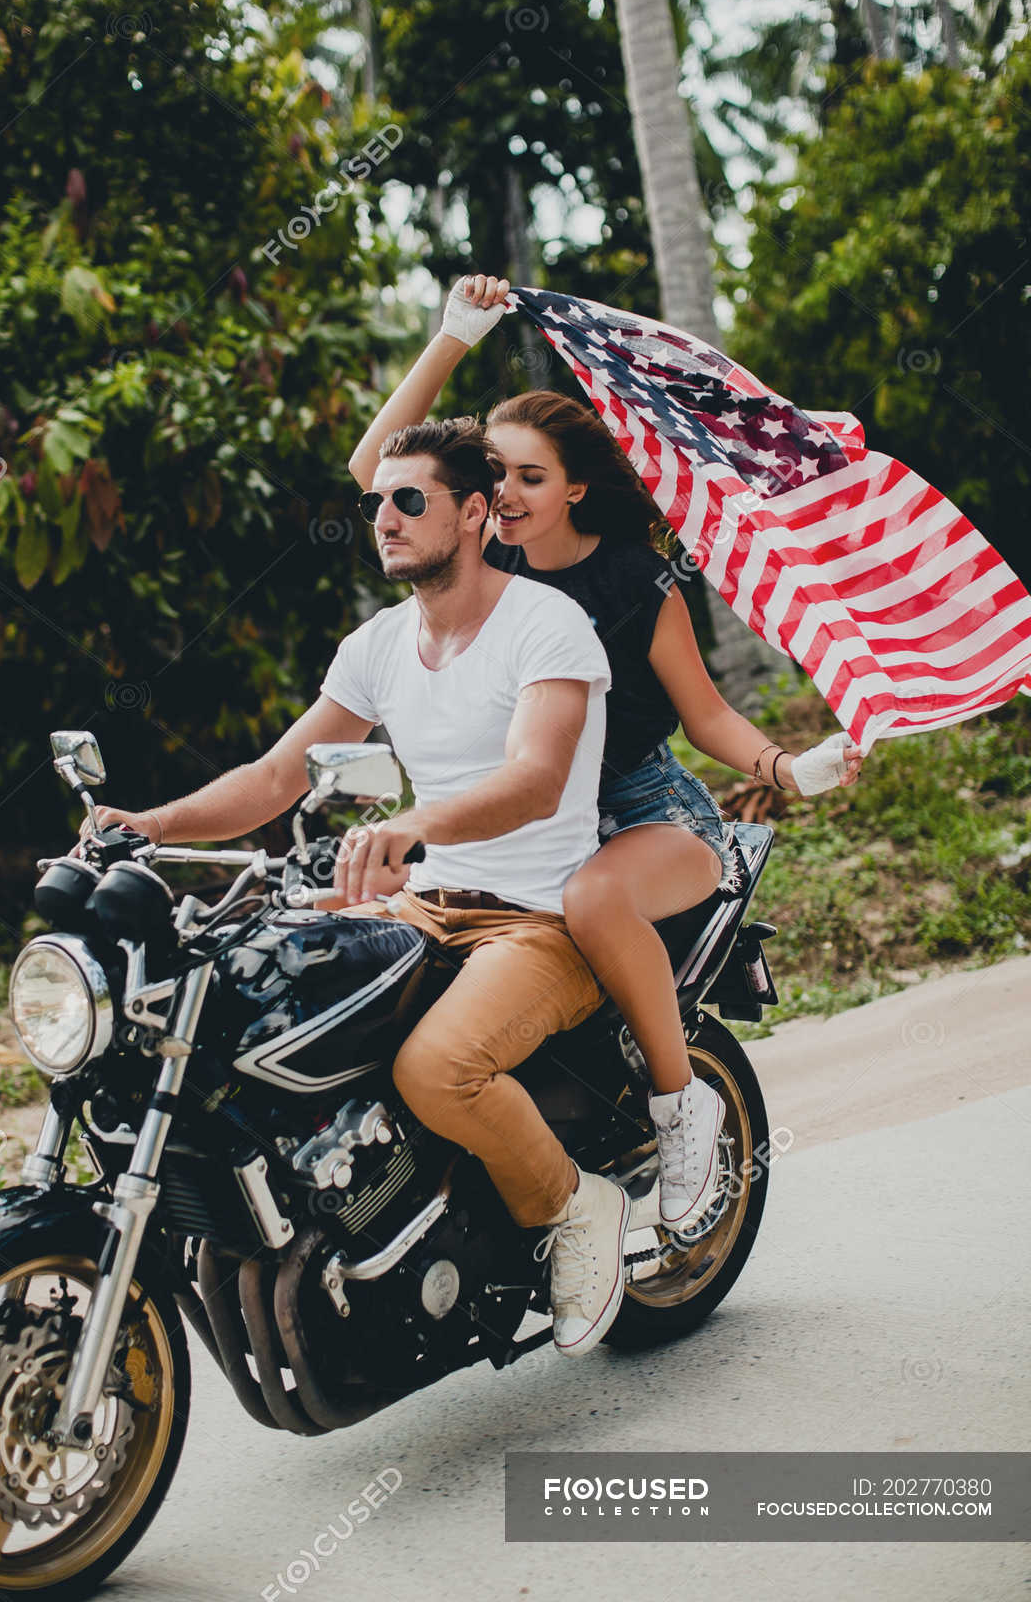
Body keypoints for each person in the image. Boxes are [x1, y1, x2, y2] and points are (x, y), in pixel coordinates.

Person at [90, 417, 650, 1358]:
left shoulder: (545, 623)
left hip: (542, 919)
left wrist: (410, 826)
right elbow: (276, 777)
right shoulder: (382, 643)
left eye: (409, 499)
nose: (383, 518)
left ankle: (575, 1205)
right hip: (423, 906)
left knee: (437, 1069)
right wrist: (151, 826)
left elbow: (537, 779)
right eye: (374, 503)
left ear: (475, 513)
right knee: (252, 995)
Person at [348, 274, 868, 1234]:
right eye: (492, 478)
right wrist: (455, 336)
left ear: (577, 486)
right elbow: (379, 465)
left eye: (529, 478)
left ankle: (681, 1111)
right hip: (527, 824)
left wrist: (789, 770)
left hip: (644, 808)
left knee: (593, 898)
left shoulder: (638, 578)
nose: (501, 496)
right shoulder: (481, 560)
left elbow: (707, 718)